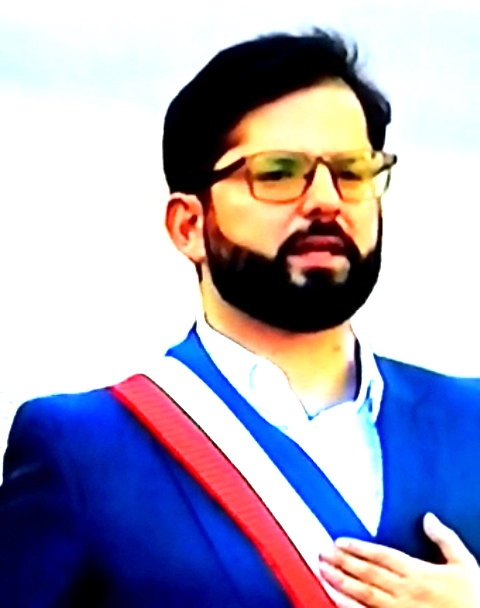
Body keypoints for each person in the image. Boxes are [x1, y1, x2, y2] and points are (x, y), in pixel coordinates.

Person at [1, 28, 480, 608]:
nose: (326, 199)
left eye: (352, 171)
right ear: (188, 226)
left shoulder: (470, 420)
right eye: (277, 172)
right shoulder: (82, 448)